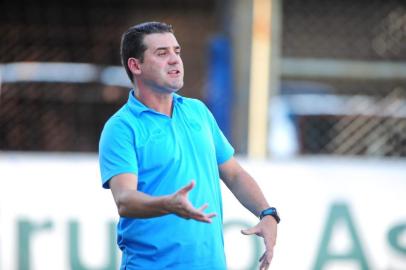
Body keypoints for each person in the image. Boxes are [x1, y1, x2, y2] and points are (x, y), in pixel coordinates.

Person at [98, 21, 279, 270]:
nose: (174, 60)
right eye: (162, 53)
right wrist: (167, 204)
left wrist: (267, 213)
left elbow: (234, 173)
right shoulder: (121, 127)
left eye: (177, 51)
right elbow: (125, 200)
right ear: (135, 65)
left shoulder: (198, 111)